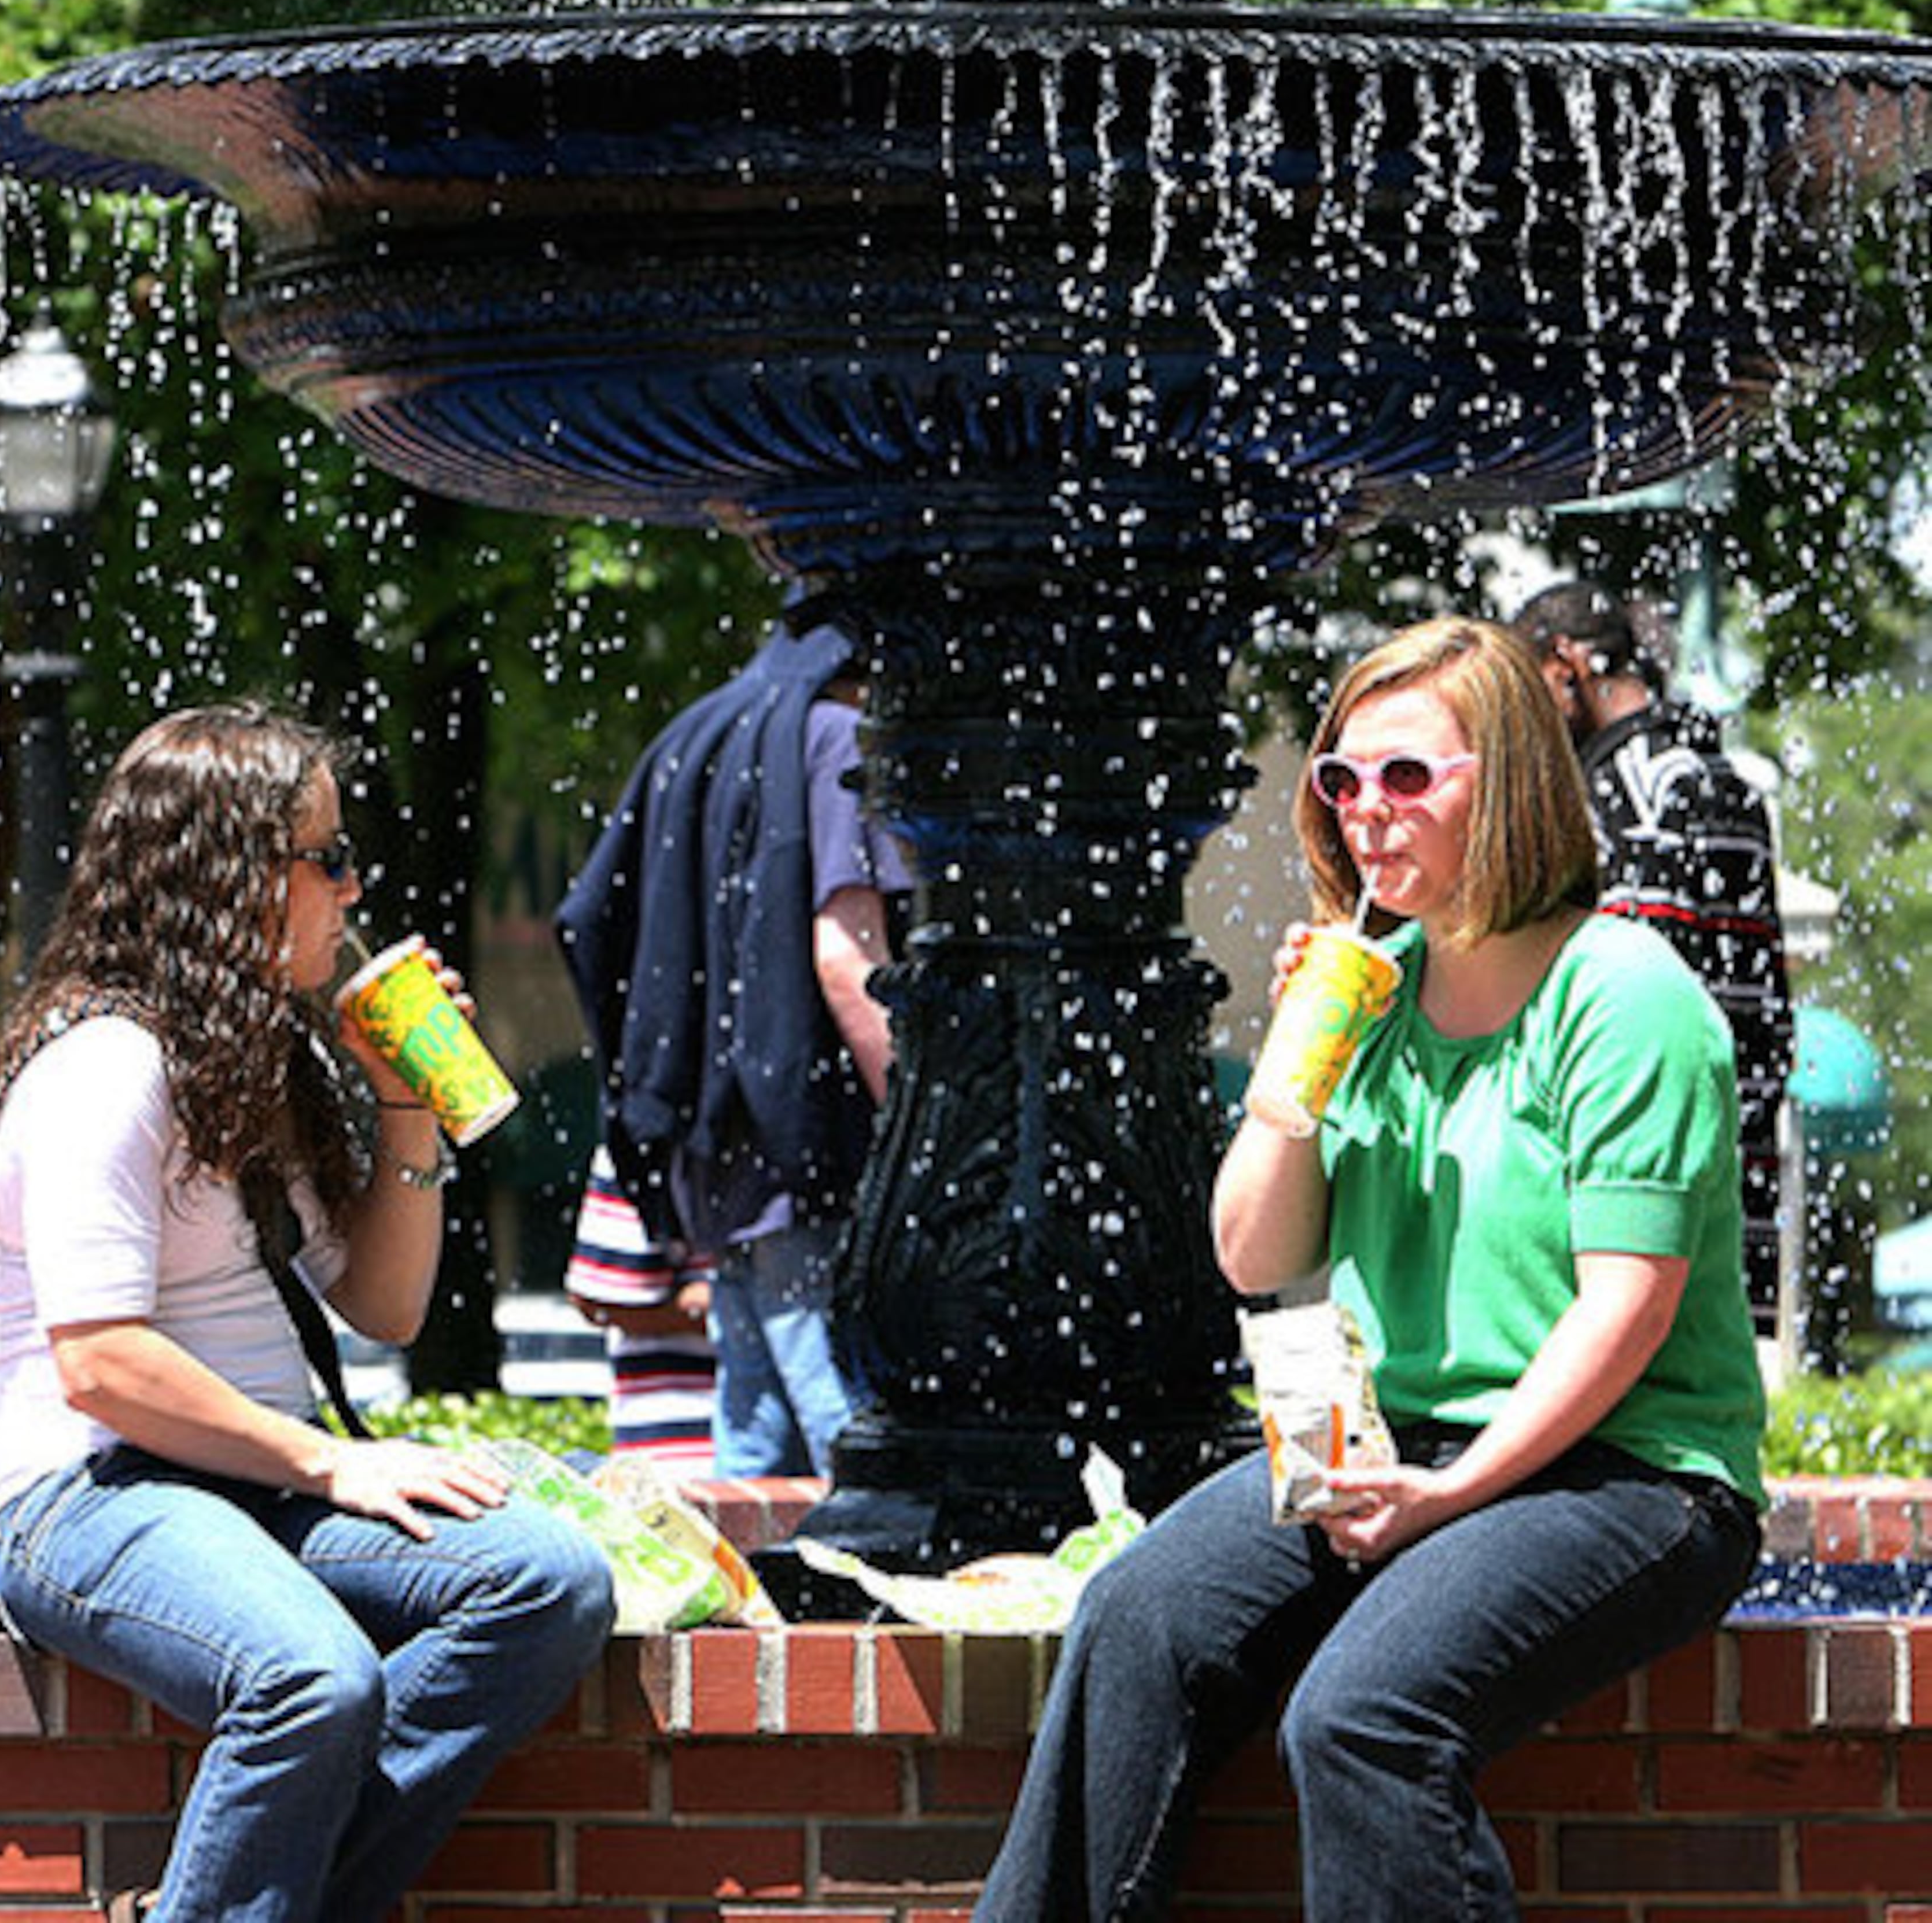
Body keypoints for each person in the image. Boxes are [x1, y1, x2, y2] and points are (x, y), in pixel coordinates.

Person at [974, 617, 1767, 1923]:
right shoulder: (1369, 985)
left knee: (1361, 1714)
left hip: (1627, 1469)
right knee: (1131, 1616)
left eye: (1407, 775)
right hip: (1391, 1443)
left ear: (1511, 783)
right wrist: (1297, 1065)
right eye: (1341, 778)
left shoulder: (1624, 993)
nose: (1364, 809)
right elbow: (1257, 1256)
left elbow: (1627, 1307)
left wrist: (1444, 1492)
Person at [0, 703, 614, 1923]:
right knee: (311, 1678)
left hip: (249, 1482)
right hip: (89, 1493)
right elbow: (100, 1364)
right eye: (329, 857)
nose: (352, 888)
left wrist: (405, 1101)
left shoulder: (257, 1060)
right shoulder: (104, 1068)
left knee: (548, 1583)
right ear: (235, 874)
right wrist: (331, 1464)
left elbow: (384, 1305)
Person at [559, 622, 908, 1477]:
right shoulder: (833, 735)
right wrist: (917, 1131)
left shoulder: (694, 734)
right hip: (814, 1148)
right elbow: (846, 954)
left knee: (756, 1454)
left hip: (718, 1156)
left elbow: (591, 923)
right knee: (859, 1446)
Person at [1514, 580, 1795, 1335]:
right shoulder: (1717, 773)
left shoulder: (1622, 791)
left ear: (1567, 663)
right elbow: (1760, 991)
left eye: (1532, 688)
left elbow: (1629, 1001)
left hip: (1643, 1168)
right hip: (1733, 1149)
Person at [565, 1143, 717, 1481]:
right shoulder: (643, 1141)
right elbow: (598, 1300)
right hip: (678, 1445)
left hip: (678, 1442)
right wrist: (735, 1309)